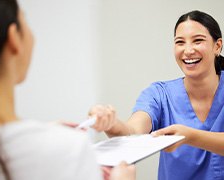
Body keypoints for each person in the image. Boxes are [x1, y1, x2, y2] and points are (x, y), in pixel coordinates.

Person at [0, 0, 136, 180]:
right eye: (25, 22)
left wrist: (44, 131)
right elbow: (136, 131)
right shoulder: (67, 150)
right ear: (14, 39)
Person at [89, 10, 224, 180]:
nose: (188, 50)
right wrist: (112, 124)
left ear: (217, 46)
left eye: (198, 41)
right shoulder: (159, 94)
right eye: (180, 42)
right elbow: (133, 133)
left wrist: (190, 136)